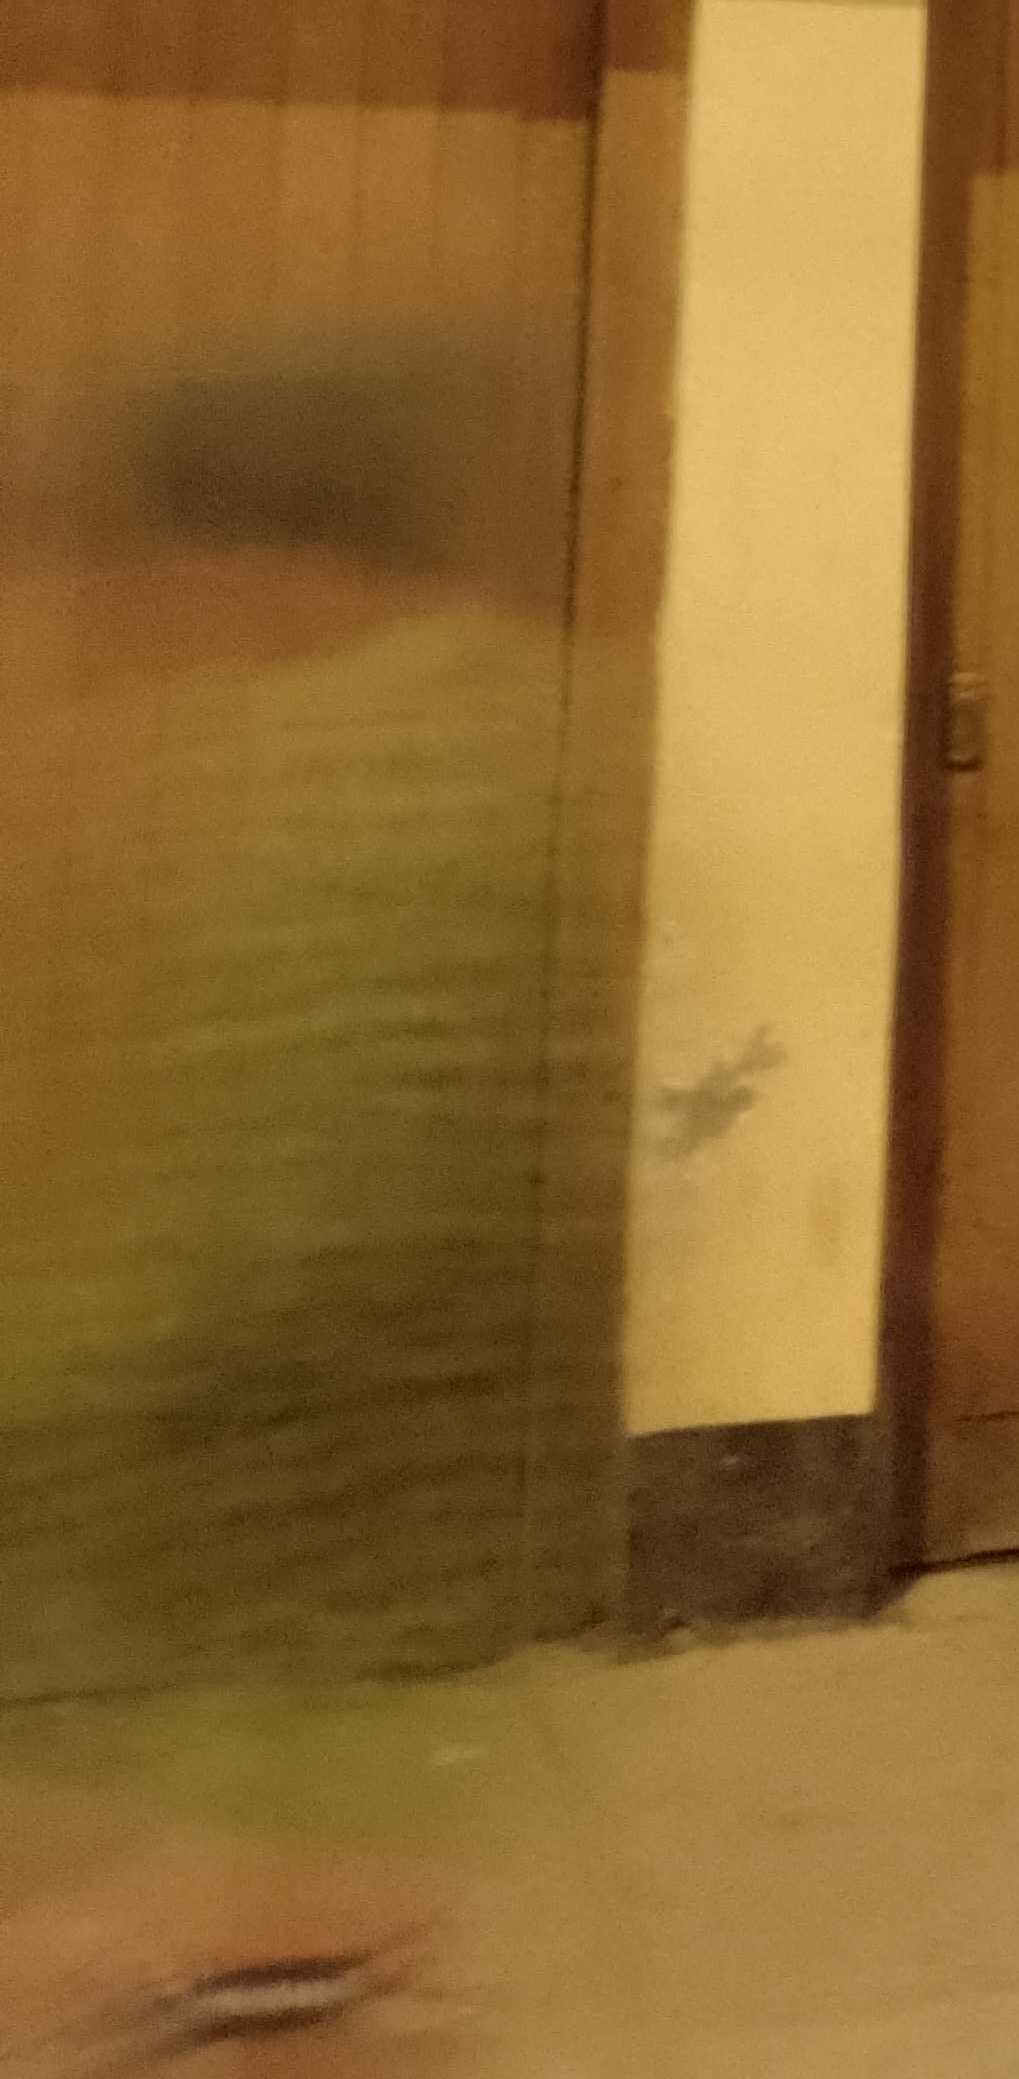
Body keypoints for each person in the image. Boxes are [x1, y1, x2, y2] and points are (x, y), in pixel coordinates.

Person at [0, 318, 583, 2056]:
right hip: (337, 1488)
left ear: (258, 550)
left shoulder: (360, 774)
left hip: (288, 1472)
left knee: (289, 1900)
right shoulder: (478, 716)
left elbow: (301, 1182)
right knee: (314, 1891)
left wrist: (61, 1374)